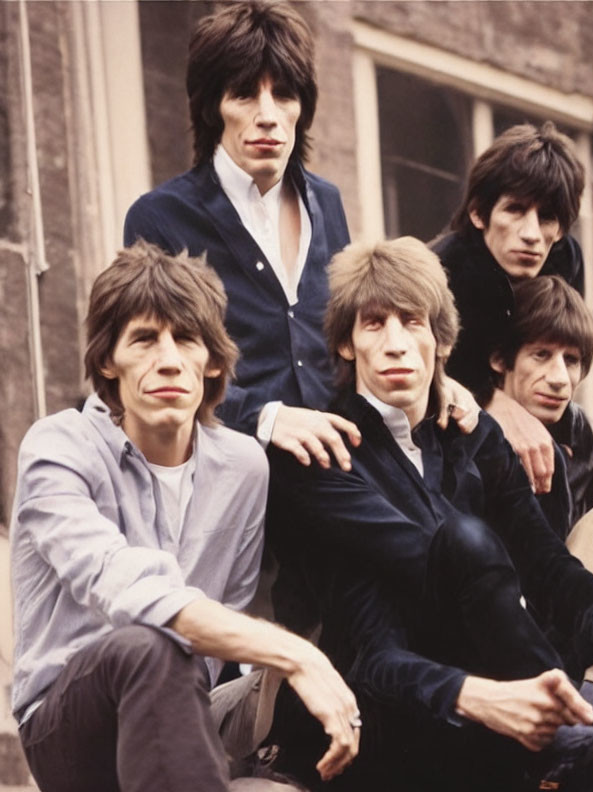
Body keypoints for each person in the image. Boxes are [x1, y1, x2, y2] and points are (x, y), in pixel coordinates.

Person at [266, 237, 593, 792]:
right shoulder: (323, 457)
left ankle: (571, 723)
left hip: (506, 694)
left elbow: (544, 559)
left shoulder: (474, 437)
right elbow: (374, 655)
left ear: (440, 340)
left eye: (411, 321)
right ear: (345, 342)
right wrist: (493, 697)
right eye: (373, 324)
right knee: (464, 541)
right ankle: (565, 727)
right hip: (398, 717)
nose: (394, 343)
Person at [10, 242, 360, 792]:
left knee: (353, 654)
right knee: (149, 644)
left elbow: (223, 629)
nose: (168, 360)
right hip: (72, 734)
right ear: (107, 363)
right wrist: (295, 654)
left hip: (188, 708)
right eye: (144, 339)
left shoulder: (244, 465)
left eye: (186, 341)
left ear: (214, 363)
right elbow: (130, 594)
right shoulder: (57, 448)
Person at [125, 0, 473, 475]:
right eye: (244, 95)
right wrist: (267, 418)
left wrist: (431, 381)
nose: (267, 115)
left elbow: (356, 333)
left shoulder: (326, 202)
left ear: (302, 108)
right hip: (235, 465)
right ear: (213, 108)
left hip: (343, 456)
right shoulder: (161, 218)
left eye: (284, 95)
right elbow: (153, 369)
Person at [432, 121, 585, 494]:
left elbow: (568, 348)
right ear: (479, 215)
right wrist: (495, 404)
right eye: (515, 210)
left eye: (547, 217)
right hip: (448, 435)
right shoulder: (441, 271)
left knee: (579, 431)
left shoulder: (564, 260)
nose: (532, 234)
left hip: (530, 411)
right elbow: (422, 376)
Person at [489, 274, 593, 619]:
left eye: (571, 361)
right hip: (495, 620)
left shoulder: (577, 429)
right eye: (541, 355)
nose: (559, 378)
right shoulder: (470, 426)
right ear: (500, 359)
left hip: (566, 606)